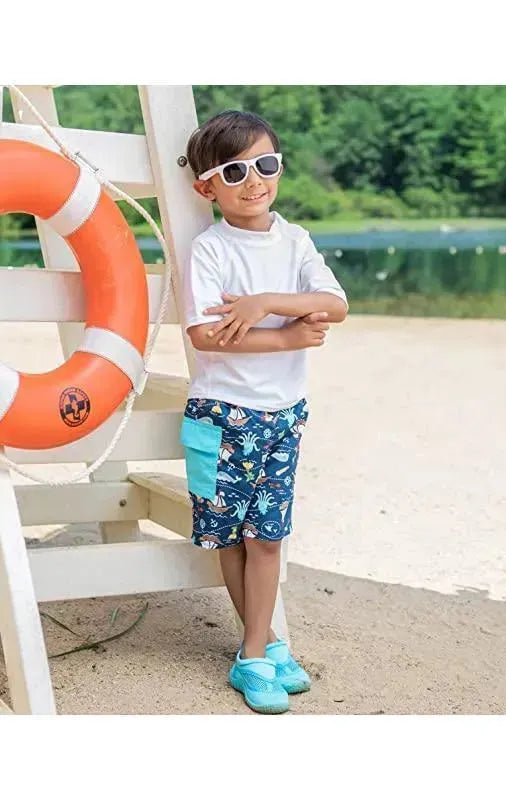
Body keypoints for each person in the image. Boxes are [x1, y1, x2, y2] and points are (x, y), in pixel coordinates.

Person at [180, 110, 349, 713]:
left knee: (269, 538)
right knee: (231, 539)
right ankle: (260, 649)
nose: (253, 181)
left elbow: (335, 304)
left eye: (265, 165)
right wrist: (287, 335)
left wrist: (264, 304)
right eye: (234, 172)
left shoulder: (295, 241)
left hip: (283, 416)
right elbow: (205, 334)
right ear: (207, 187)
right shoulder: (210, 249)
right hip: (222, 415)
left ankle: (257, 650)